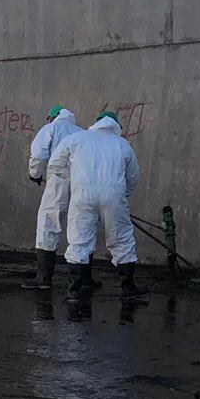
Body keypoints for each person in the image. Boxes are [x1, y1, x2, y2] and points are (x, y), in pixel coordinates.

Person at [51, 109, 140, 295]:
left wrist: (75, 180)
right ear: (116, 126)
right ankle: (128, 287)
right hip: (113, 195)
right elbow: (132, 176)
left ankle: (74, 289)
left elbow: (55, 165)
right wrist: (124, 195)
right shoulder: (123, 145)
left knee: (79, 238)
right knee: (121, 237)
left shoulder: (77, 139)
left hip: (82, 194)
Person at [23, 106, 81, 289]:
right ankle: (84, 279)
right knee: (81, 226)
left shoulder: (51, 129)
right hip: (81, 184)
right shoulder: (82, 132)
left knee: (48, 223)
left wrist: (35, 174)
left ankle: (44, 278)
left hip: (58, 181)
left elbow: (38, 155)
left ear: (53, 116)